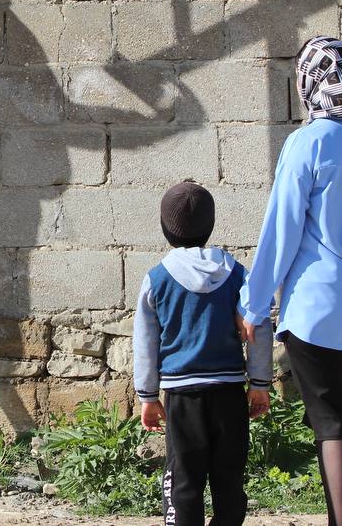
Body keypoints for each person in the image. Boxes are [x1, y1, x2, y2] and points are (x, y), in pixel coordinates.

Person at [237, 36, 342, 526]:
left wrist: (253, 305)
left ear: (310, 84)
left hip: (317, 314)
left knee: (334, 426)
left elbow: (281, 230)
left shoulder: (307, 144)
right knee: (336, 420)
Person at [133, 180, 273, 526]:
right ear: (210, 226)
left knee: (183, 478)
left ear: (165, 228)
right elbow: (258, 326)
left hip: (182, 396)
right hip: (229, 392)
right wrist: (259, 383)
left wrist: (147, 396)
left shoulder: (157, 279)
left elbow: (146, 341)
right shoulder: (238, 275)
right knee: (229, 478)